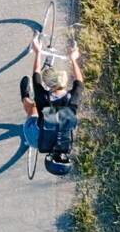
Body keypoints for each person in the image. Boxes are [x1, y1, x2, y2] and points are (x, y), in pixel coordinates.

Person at [20, 32, 84, 173]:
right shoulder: (44, 99)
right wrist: (37, 52)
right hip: (37, 138)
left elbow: (79, 84)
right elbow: (36, 77)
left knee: (32, 109)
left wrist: (73, 59)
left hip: (43, 130)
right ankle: (26, 99)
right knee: (34, 108)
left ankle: (25, 96)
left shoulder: (71, 104)